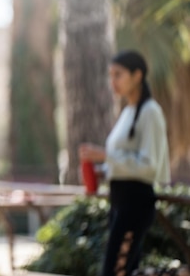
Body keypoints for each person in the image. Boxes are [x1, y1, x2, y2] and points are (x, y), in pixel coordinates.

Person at [79, 50, 170, 276]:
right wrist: (101, 170)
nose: (113, 82)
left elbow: (149, 167)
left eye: (118, 75)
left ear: (137, 75)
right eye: (110, 75)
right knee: (127, 271)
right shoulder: (128, 111)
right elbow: (125, 162)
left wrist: (105, 156)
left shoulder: (150, 112)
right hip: (119, 202)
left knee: (114, 271)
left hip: (135, 204)